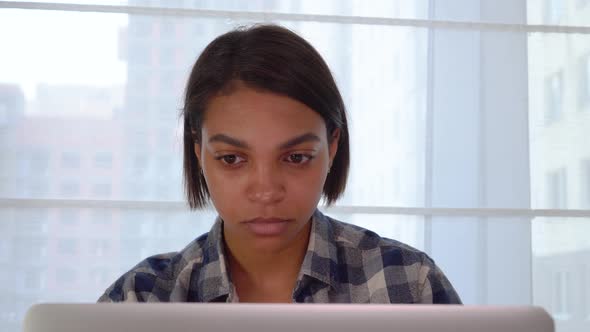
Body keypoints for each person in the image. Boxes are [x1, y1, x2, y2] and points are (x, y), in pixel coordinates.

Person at [99, 24, 461, 304]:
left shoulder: (409, 285)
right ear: (198, 151)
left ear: (333, 147)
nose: (266, 190)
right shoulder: (142, 298)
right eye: (232, 159)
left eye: (296, 158)